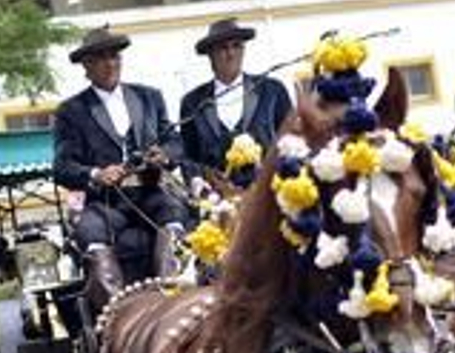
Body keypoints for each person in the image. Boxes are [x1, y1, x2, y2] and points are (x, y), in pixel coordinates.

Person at [52, 25, 187, 309]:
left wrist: (163, 156)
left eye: (115, 56)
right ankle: (113, 315)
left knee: (175, 212)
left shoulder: (150, 97)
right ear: (86, 66)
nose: (111, 63)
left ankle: (173, 301)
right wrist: (95, 174)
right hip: (106, 203)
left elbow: (176, 143)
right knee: (88, 231)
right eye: (101, 58)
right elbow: (62, 167)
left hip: (152, 193)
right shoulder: (71, 112)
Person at [178, 17, 292, 184]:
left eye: (236, 46)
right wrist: (206, 180)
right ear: (210, 55)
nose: (231, 54)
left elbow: (291, 140)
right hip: (217, 196)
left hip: (268, 189)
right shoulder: (193, 103)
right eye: (223, 48)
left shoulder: (272, 90)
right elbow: (188, 158)